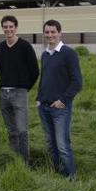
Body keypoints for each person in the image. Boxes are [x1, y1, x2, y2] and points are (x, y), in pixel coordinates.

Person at [36, 19, 83, 180]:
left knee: (62, 145)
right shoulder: (45, 55)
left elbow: (77, 82)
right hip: (44, 106)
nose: (50, 35)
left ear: (60, 33)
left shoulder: (69, 54)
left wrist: (63, 100)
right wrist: (38, 99)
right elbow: (44, 79)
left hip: (60, 108)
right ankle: (57, 173)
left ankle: (71, 177)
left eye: (53, 32)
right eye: (47, 32)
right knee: (50, 144)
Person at [0, 15, 39, 164]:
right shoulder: (0, 48)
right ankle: (15, 160)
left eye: (11, 26)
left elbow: (35, 71)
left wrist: (24, 87)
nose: (8, 29)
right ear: (2, 28)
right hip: (3, 94)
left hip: (19, 93)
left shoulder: (25, 46)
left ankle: (25, 162)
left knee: (22, 130)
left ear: (16, 28)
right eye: (5, 27)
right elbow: (0, 69)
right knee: (11, 131)